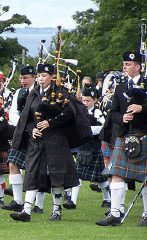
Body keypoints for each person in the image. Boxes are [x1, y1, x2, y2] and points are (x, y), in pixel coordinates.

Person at [9, 63, 82, 222]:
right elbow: (26, 117)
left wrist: (51, 123)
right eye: (39, 76)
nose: (41, 79)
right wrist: (31, 130)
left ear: (52, 77)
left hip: (56, 140)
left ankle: (56, 210)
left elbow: (70, 114)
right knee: (32, 172)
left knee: (56, 175)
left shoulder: (62, 93)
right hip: (37, 140)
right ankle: (26, 211)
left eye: (44, 76)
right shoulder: (34, 93)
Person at [96, 51, 147, 226]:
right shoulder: (120, 86)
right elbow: (113, 113)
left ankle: (146, 215)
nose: (124, 67)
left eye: (128, 64)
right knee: (116, 174)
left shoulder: (146, 84)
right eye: (124, 64)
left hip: (144, 134)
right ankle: (115, 214)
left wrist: (142, 108)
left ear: (138, 66)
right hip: (125, 134)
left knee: (146, 178)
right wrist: (121, 118)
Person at [2, 66, 47, 212]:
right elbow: (13, 113)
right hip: (22, 133)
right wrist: (23, 122)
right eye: (21, 78)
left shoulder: (40, 92)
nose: (23, 81)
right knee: (12, 163)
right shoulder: (18, 92)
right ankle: (17, 200)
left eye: (26, 78)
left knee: (37, 169)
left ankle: (38, 205)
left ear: (34, 77)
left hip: (38, 134)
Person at [63, 87, 110, 210]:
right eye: (83, 100)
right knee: (77, 175)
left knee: (101, 179)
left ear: (95, 100)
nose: (85, 103)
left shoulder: (98, 113)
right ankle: (72, 201)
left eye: (88, 100)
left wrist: (88, 129)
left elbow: (102, 129)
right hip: (83, 147)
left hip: (94, 148)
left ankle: (107, 199)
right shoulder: (79, 113)